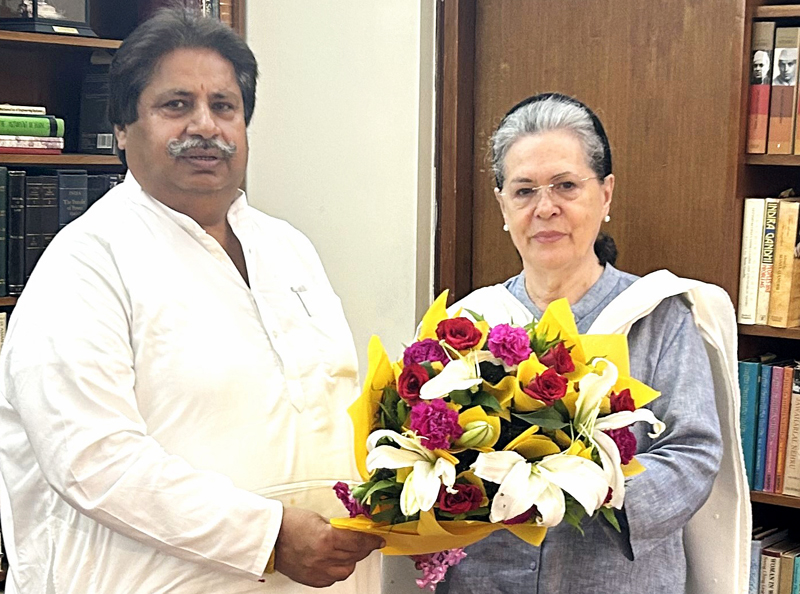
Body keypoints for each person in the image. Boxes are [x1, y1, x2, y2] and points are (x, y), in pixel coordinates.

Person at [0, 8, 383, 594]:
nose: (205, 126)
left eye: (224, 107)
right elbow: (95, 463)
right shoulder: (86, 264)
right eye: (176, 105)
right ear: (124, 130)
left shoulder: (289, 250)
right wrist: (270, 536)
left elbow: (332, 407)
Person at [437, 93, 725, 593]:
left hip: (614, 578)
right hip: (485, 578)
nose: (546, 208)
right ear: (502, 204)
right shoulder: (468, 322)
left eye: (566, 186)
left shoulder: (658, 315)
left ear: (606, 194)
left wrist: (582, 488)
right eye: (524, 191)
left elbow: (693, 451)